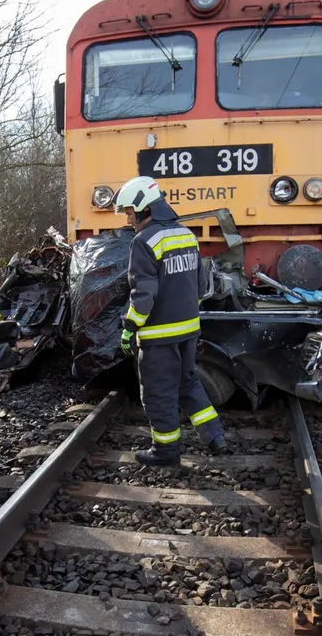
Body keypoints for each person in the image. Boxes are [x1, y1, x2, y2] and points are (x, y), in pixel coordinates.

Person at [114, 175, 227, 466]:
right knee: (188, 384)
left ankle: (165, 451)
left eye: (129, 212)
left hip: (158, 338)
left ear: (143, 208)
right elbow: (201, 285)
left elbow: (144, 293)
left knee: (158, 393)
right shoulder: (186, 234)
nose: (128, 220)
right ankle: (215, 436)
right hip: (189, 331)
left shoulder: (143, 241)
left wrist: (130, 327)